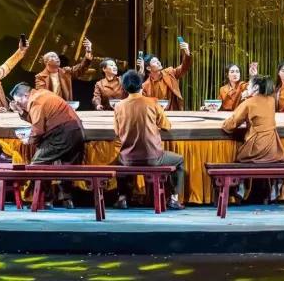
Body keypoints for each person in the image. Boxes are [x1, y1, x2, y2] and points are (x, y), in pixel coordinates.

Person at [111, 70, 184, 210]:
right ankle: (174, 199)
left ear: (124, 87)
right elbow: (166, 126)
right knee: (179, 160)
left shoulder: (119, 106)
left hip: (128, 158)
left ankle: (122, 198)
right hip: (153, 157)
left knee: (119, 159)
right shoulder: (152, 102)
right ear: (141, 86)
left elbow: (117, 132)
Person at [9, 82, 86, 208]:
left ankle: (46, 199)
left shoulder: (35, 102)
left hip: (61, 134)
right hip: (77, 132)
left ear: (25, 95)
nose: (19, 105)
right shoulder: (43, 93)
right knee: (66, 165)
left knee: (37, 165)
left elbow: (38, 129)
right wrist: (21, 111)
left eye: (19, 102)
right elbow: (38, 118)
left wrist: (29, 140)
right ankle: (67, 199)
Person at [220, 74, 284, 202]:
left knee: (240, 158)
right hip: (274, 148)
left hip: (256, 148)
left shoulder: (249, 103)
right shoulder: (271, 100)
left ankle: (240, 187)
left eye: (249, 85)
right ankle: (275, 185)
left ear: (255, 87)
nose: (246, 88)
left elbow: (231, 124)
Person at [35, 38, 93, 102]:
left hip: (65, 105)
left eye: (57, 56)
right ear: (46, 62)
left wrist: (88, 51)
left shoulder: (66, 71)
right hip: (50, 105)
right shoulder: (40, 77)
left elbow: (81, 68)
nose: (57, 58)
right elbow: (42, 94)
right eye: (53, 57)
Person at [141, 39, 192, 111]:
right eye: (155, 62)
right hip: (156, 115)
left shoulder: (170, 73)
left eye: (158, 60)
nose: (158, 62)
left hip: (173, 112)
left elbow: (184, 68)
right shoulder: (145, 86)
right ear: (149, 68)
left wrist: (187, 53)